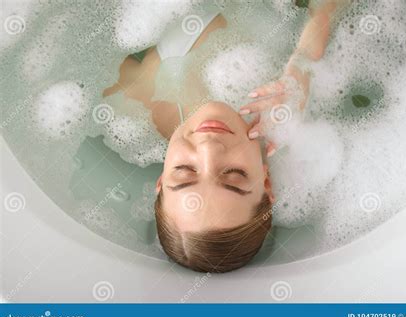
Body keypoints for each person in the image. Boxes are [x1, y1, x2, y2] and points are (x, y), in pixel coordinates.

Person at [102, 0, 349, 273]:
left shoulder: (137, 102)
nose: (209, 148)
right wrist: (304, 61)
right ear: (266, 183)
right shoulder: (298, 113)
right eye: (233, 174)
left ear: (161, 181)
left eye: (184, 172)